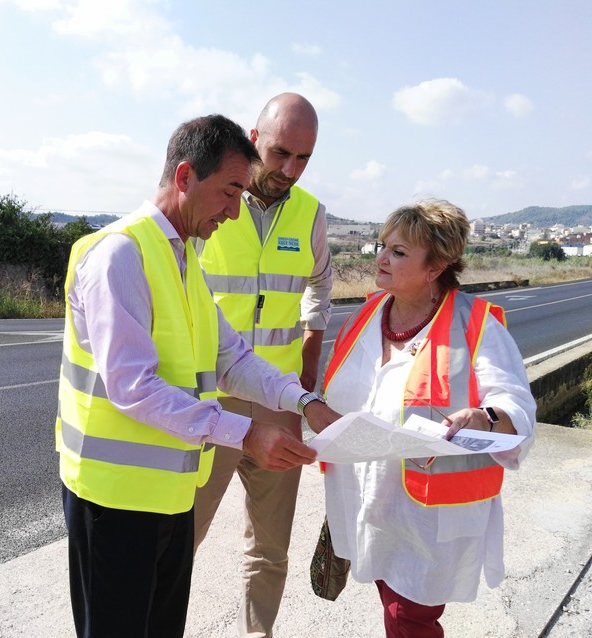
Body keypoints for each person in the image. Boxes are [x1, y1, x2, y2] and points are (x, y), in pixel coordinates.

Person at [56, 113, 338, 638]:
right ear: (185, 176)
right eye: (230, 193)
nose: (234, 212)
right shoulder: (121, 254)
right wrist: (245, 434)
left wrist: (304, 402)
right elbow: (133, 388)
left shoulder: (182, 256)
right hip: (114, 503)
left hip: (169, 495)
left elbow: (231, 358)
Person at [321, 199, 537, 637]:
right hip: (366, 499)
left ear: (435, 267)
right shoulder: (365, 316)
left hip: (427, 517)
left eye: (399, 252)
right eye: (383, 246)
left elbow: (517, 408)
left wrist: (485, 417)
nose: (381, 258)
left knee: (410, 619)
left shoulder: (476, 324)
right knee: (394, 609)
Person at [192, 92, 333, 637]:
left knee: (270, 548)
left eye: (304, 159)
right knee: (182, 537)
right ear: (254, 139)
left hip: (279, 400)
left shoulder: (310, 213)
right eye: (280, 153)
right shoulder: (211, 203)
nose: (290, 170)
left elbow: (320, 282)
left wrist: (312, 345)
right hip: (211, 399)